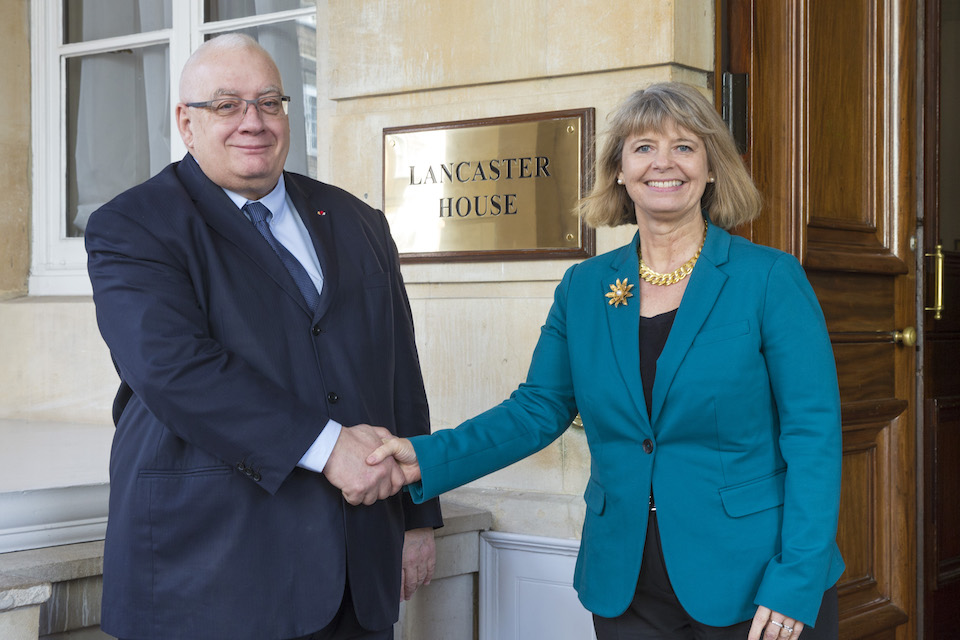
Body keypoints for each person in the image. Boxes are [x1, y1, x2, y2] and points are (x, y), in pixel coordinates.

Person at [368, 82, 844, 640]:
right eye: (643, 147)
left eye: (685, 147)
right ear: (619, 170)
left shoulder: (768, 278)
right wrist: (425, 457)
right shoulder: (585, 286)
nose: (663, 163)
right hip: (626, 584)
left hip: (754, 581)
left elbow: (813, 436)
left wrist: (797, 579)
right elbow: (537, 410)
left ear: (712, 168)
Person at [85, 33, 441, 640]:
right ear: (185, 122)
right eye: (226, 105)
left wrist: (416, 517)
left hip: (357, 574)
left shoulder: (360, 222)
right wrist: (329, 447)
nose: (253, 121)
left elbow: (398, 371)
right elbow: (174, 369)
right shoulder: (133, 225)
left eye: (269, 102)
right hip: (210, 575)